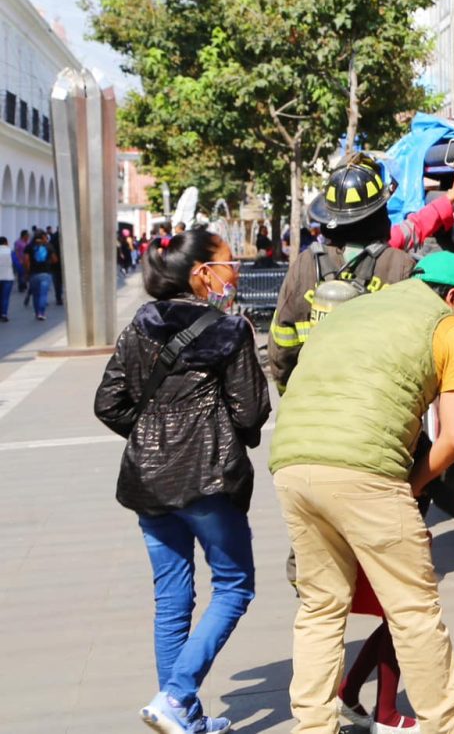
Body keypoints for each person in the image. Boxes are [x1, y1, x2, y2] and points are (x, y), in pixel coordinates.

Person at [270, 252, 454, 734]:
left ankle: (313, 726)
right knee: (413, 609)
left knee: (320, 606)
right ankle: (445, 725)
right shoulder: (448, 327)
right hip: (365, 469)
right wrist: (415, 482)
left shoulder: (354, 308)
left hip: (292, 462)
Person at [93, 230, 272, 734]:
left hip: (147, 481)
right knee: (235, 586)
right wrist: (204, 435)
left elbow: (108, 403)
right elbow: (251, 411)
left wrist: (154, 433)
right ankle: (175, 696)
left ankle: (182, 714)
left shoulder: (137, 327)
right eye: (229, 262)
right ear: (202, 274)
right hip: (208, 481)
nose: (235, 270)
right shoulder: (229, 329)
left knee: (172, 598)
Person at [266, 155, 454, 387]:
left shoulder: (303, 266)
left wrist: (295, 397)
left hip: (311, 401)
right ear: (378, 214)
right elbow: (415, 227)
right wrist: (451, 196)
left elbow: (282, 350)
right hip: (378, 405)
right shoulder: (398, 264)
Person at [336, 433, 454, 733]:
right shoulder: (404, 427)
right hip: (388, 531)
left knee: (394, 620)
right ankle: (384, 713)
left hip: (370, 526)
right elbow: (433, 480)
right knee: (402, 619)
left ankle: (351, 694)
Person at [23, 230, 52, 321]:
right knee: (43, 294)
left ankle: (37, 313)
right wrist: (48, 263)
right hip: (45, 273)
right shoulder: (48, 246)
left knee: (35, 295)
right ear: (43, 236)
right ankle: (42, 313)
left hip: (33, 274)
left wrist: (27, 272)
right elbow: (55, 259)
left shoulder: (29, 246)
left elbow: (26, 261)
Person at [46, 225, 63, 305]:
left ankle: (58, 297)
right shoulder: (68, 237)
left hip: (55, 264)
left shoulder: (52, 238)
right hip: (64, 264)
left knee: (57, 283)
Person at [0, 236, 13, 322]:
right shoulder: (10, 251)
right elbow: (16, 263)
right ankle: (4, 314)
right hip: (8, 277)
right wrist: (22, 273)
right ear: (6, 242)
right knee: (5, 297)